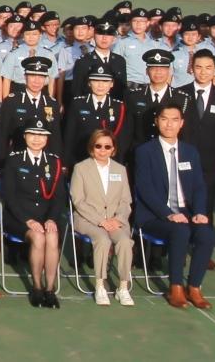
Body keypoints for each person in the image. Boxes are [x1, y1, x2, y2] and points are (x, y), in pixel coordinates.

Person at [136, 105, 215, 308]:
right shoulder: (144, 152)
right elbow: (145, 189)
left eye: (175, 119)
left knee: (206, 235)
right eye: (164, 119)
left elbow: (199, 186)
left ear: (182, 123)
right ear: (157, 122)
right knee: (180, 231)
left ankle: (194, 287)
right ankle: (176, 288)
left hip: (186, 211)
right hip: (154, 215)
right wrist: (168, 214)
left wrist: (199, 212)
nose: (169, 124)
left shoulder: (190, 152)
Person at [0, 120, 67, 308]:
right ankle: (37, 287)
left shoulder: (54, 162)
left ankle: (50, 289)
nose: (37, 139)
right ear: (25, 137)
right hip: (19, 218)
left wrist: (52, 218)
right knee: (38, 238)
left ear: (47, 138)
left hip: (47, 217)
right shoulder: (14, 160)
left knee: (52, 236)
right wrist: (27, 220)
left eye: (41, 135)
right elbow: (9, 197)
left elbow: (59, 196)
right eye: (32, 135)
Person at [69, 128, 136, 306]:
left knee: (124, 241)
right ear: (92, 148)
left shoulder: (120, 170)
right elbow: (78, 200)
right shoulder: (81, 168)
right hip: (88, 219)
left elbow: (125, 200)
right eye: (98, 146)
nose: (102, 150)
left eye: (107, 146)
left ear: (113, 149)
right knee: (103, 240)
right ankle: (100, 285)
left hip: (115, 220)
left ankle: (123, 287)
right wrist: (101, 221)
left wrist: (118, 219)